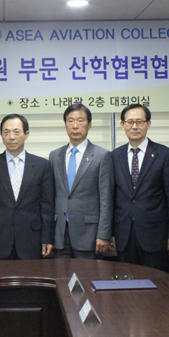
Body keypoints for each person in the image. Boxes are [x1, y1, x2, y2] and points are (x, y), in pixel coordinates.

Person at [111, 104, 169, 271]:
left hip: (154, 234)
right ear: (122, 125)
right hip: (124, 235)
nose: (134, 126)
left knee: (155, 282)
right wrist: (111, 233)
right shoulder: (114, 156)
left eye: (140, 122)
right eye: (130, 122)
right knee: (127, 281)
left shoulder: (164, 155)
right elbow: (112, 197)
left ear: (148, 124)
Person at [0, 114, 54, 259]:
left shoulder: (42, 166)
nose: (11, 137)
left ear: (27, 134)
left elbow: (47, 206)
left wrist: (47, 238)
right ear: (1, 135)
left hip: (32, 240)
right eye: (6, 132)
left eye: (16, 132)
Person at [49, 103, 113, 259]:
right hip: (60, 233)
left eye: (80, 120)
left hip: (89, 234)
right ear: (65, 124)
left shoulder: (101, 156)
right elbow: (50, 196)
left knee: (88, 274)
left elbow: (106, 199)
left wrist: (103, 234)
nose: (75, 126)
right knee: (60, 273)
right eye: (70, 121)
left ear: (89, 125)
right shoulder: (55, 155)